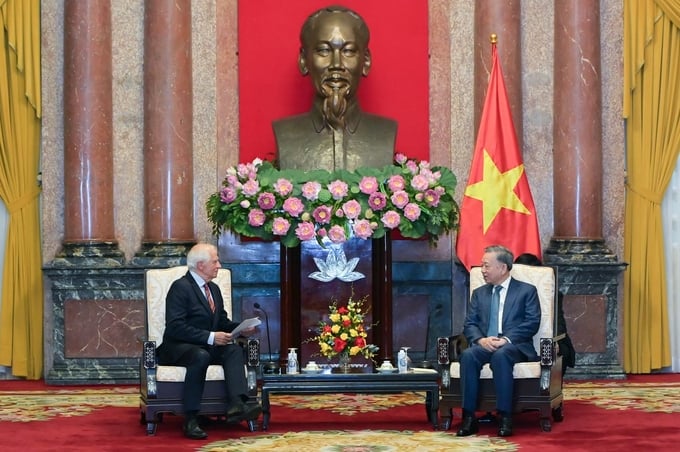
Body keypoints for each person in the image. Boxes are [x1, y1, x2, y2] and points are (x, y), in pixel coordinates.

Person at [273, 5, 397, 171]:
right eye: (324, 51)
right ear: (303, 60)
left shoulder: (385, 132)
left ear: (365, 61)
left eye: (348, 51)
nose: (336, 64)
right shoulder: (285, 133)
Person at [156, 243, 261, 440]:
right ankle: (191, 418)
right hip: (178, 347)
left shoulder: (213, 288)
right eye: (215, 261)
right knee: (200, 356)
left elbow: (221, 321)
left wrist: (241, 328)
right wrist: (211, 337)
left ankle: (237, 405)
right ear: (201, 265)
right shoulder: (180, 287)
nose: (219, 265)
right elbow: (175, 327)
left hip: (206, 345)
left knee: (234, 351)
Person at [456, 245, 541, 438]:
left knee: (501, 356)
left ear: (502, 268)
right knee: (468, 355)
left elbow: (532, 322)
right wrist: (480, 339)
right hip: (486, 343)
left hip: (514, 345)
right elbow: (470, 324)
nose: (482, 270)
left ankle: (505, 416)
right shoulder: (480, 293)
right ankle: (468, 417)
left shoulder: (526, 291)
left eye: (486, 266)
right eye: (482, 266)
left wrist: (506, 339)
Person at [514, 253, 576, 375]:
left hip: (551, 337)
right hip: (519, 339)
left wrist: (553, 340)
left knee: (557, 349)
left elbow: (559, 323)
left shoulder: (550, 292)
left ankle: (548, 389)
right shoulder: (509, 291)